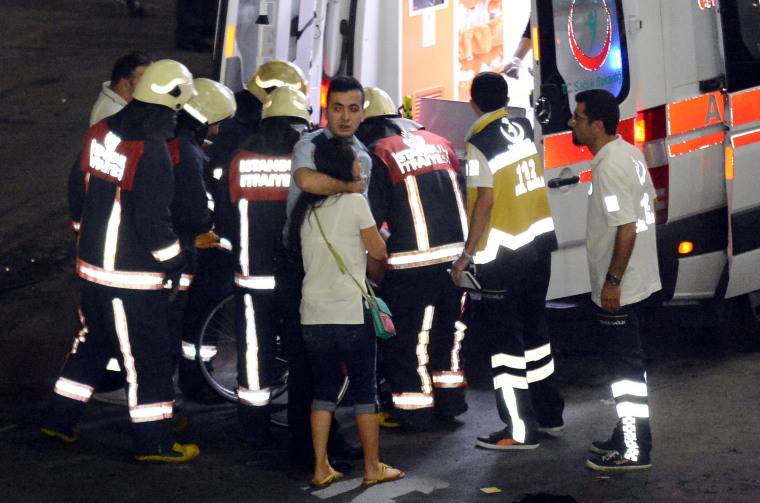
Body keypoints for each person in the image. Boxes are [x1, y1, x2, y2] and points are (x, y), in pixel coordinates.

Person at [42, 60, 199, 462]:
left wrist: (83, 231)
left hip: (93, 268)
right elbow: (152, 219)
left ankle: (58, 420)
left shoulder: (102, 130)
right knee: (146, 360)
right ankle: (156, 444)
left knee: (93, 346)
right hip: (130, 280)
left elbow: (79, 184)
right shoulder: (152, 150)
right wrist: (175, 260)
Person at [179, 59, 309, 400]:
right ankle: (196, 380)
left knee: (231, 321)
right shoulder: (245, 131)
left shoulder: (239, 122)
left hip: (234, 241)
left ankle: (205, 381)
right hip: (230, 241)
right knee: (210, 308)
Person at [450, 72, 564, 450]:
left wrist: (465, 256)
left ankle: (519, 429)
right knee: (536, 333)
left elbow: (484, 201)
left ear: (473, 103)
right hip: (538, 245)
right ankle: (548, 415)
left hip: (502, 254)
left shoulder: (478, 143)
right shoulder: (521, 126)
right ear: (505, 98)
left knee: (506, 346)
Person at [288, 136, 403, 488]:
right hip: (350, 314)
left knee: (323, 391)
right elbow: (378, 251)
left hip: (312, 314)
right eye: (356, 162)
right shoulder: (355, 202)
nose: (360, 167)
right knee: (364, 392)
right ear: (343, 167)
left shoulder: (305, 211)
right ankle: (372, 467)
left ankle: (321, 467)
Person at [355, 87, 469, 431]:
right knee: (449, 336)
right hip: (456, 261)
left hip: (409, 266)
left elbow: (370, 218)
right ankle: (450, 405)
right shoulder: (440, 142)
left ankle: (414, 411)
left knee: (409, 342)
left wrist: (373, 264)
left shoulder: (378, 152)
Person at [567, 89, 660, 472]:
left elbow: (626, 228)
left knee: (625, 375)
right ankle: (627, 436)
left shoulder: (610, 166)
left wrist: (612, 282)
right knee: (627, 370)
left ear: (598, 125)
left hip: (622, 287)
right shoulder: (628, 153)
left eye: (578, 118)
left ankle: (635, 451)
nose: (572, 123)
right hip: (636, 280)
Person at [213, 86, 311, 447]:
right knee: (301, 349)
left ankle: (254, 423)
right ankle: (303, 421)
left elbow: (225, 214)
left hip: (251, 274)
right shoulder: (304, 158)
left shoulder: (241, 157)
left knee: (254, 351)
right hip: (296, 275)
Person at [280, 75, 369, 467]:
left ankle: (329, 445)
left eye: (353, 109)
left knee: (333, 369)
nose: (345, 117)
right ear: (325, 110)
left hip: (344, 273)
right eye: (338, 108)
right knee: (305, 365)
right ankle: (303, 450)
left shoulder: (362, 154)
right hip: (302, 268)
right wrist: (349, 189)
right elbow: (305, 180)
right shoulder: (309, 146)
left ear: (362, 113)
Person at [168, 78, 237, 407]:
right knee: (197, 314)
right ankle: (195, 380)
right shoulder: (189, 154)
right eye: (218, 123)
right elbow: (196, 211)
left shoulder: (174, 140)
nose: (219, 131)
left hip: (175, 245)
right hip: (187, 250)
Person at [90, 51, 152, 126]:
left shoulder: (118, 106)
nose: (150, 87)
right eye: (145, 81)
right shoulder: (115, 114)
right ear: (125, 85)